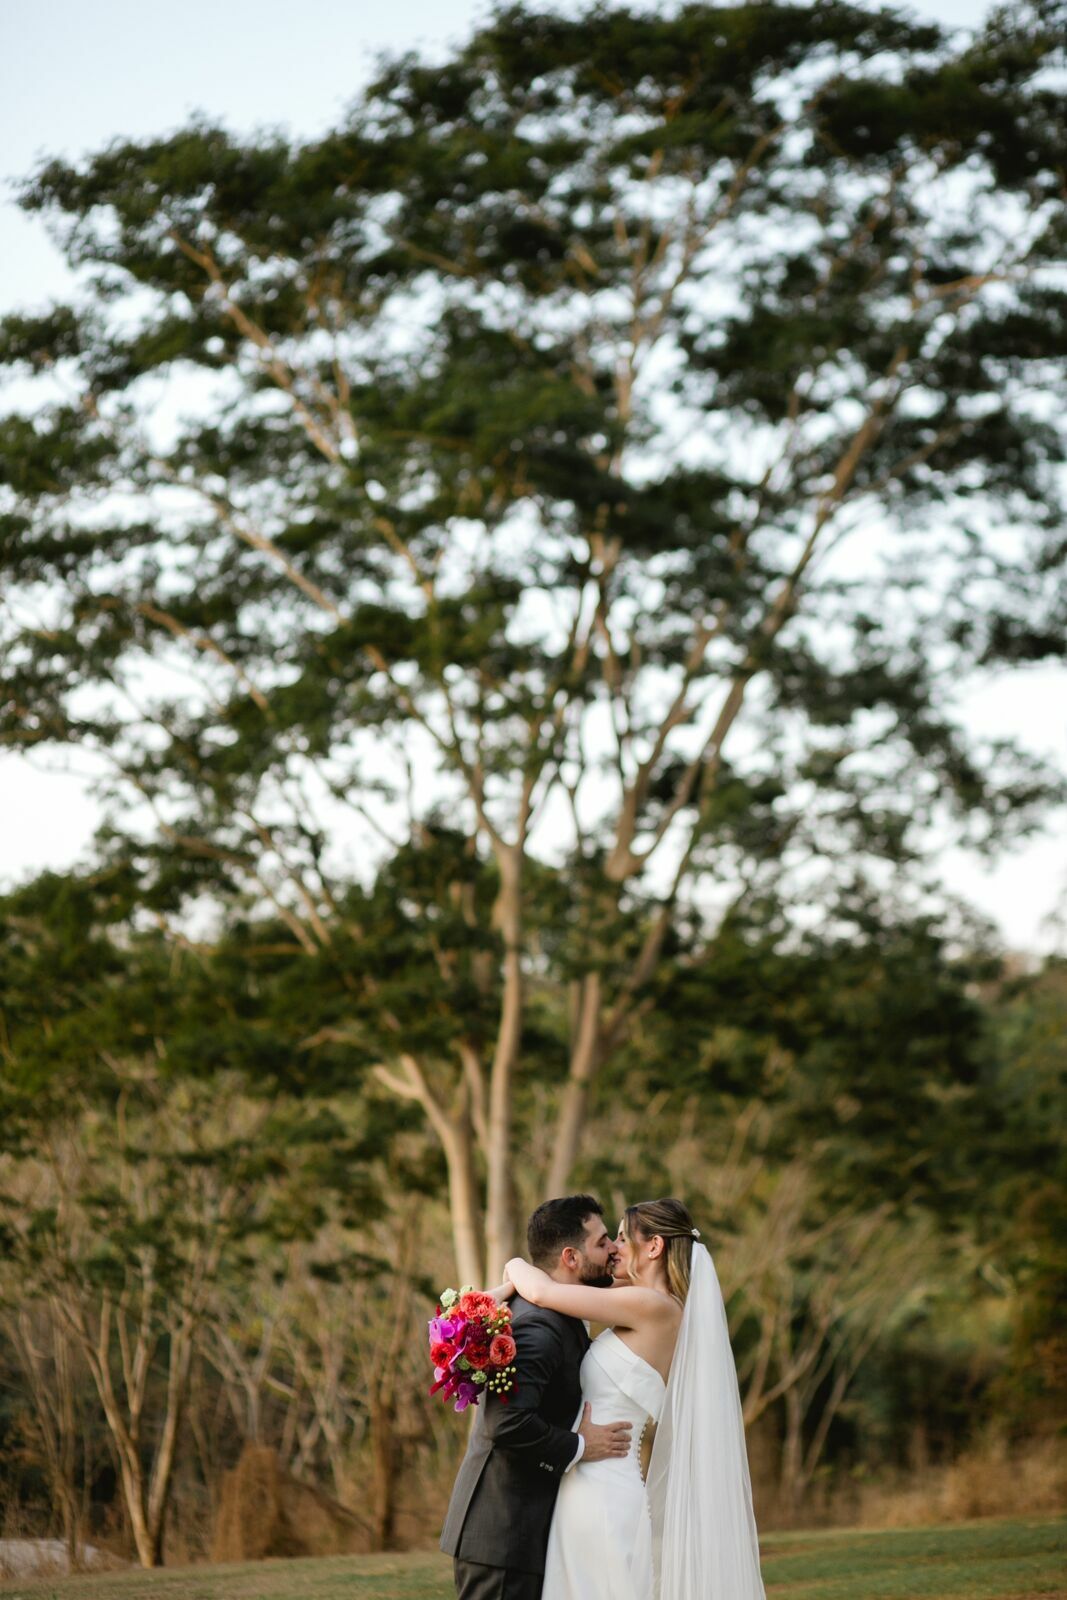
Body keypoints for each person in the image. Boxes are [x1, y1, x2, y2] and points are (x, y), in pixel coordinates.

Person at [504, 1197, 766, 1600]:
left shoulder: (651, 1306)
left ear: (655, 1247)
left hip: (602, 1489)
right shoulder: (650, 1301)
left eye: (623, 1239)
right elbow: (563, 1288)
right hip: (594, 1480)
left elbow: (541, 1290)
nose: (614, 1250)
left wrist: (513, 1267)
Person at [440, 1195, 635, 1600]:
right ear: (571, 1257)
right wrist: (582, 1444)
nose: (614, 1249)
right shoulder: (539, 1329)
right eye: (602, 1243)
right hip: (503, 1534)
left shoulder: (555, 1315)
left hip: (520, 1533)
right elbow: (505, 1424)